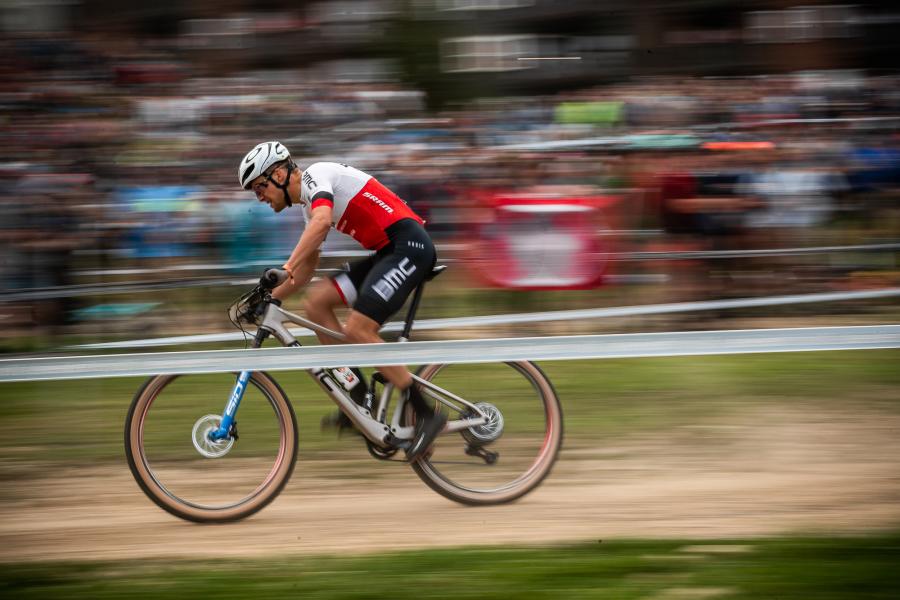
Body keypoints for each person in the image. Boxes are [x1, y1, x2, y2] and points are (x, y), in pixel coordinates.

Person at [238, 141, 445, 461]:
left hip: (410, 247)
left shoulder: (315, 176)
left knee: (359, 329)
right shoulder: (310, 206)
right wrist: (268, 299)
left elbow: (320, 226)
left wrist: (285, 268)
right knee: (316, 302)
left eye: (260, 188)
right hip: (388, 252)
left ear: (279, 173)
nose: (259, 197)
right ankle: (361, 399)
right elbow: (306, 272)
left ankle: (427, 414)